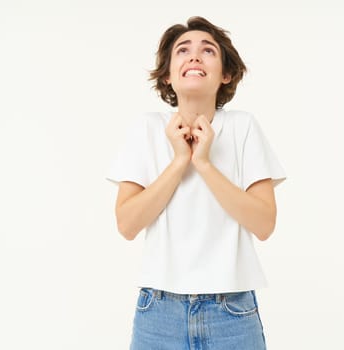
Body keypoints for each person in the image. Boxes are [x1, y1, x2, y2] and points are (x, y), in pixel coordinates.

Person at [106, 16, 287, 350]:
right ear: (167, 74)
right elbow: (127, 224)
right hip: (158, 311)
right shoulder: (146, 129)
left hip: (231, 311)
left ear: (226, 74)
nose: (194, 56)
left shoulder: (243, 127)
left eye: (208, 51)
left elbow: (264, 224)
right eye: (183, 50)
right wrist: (179, 161)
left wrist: (203, 163)